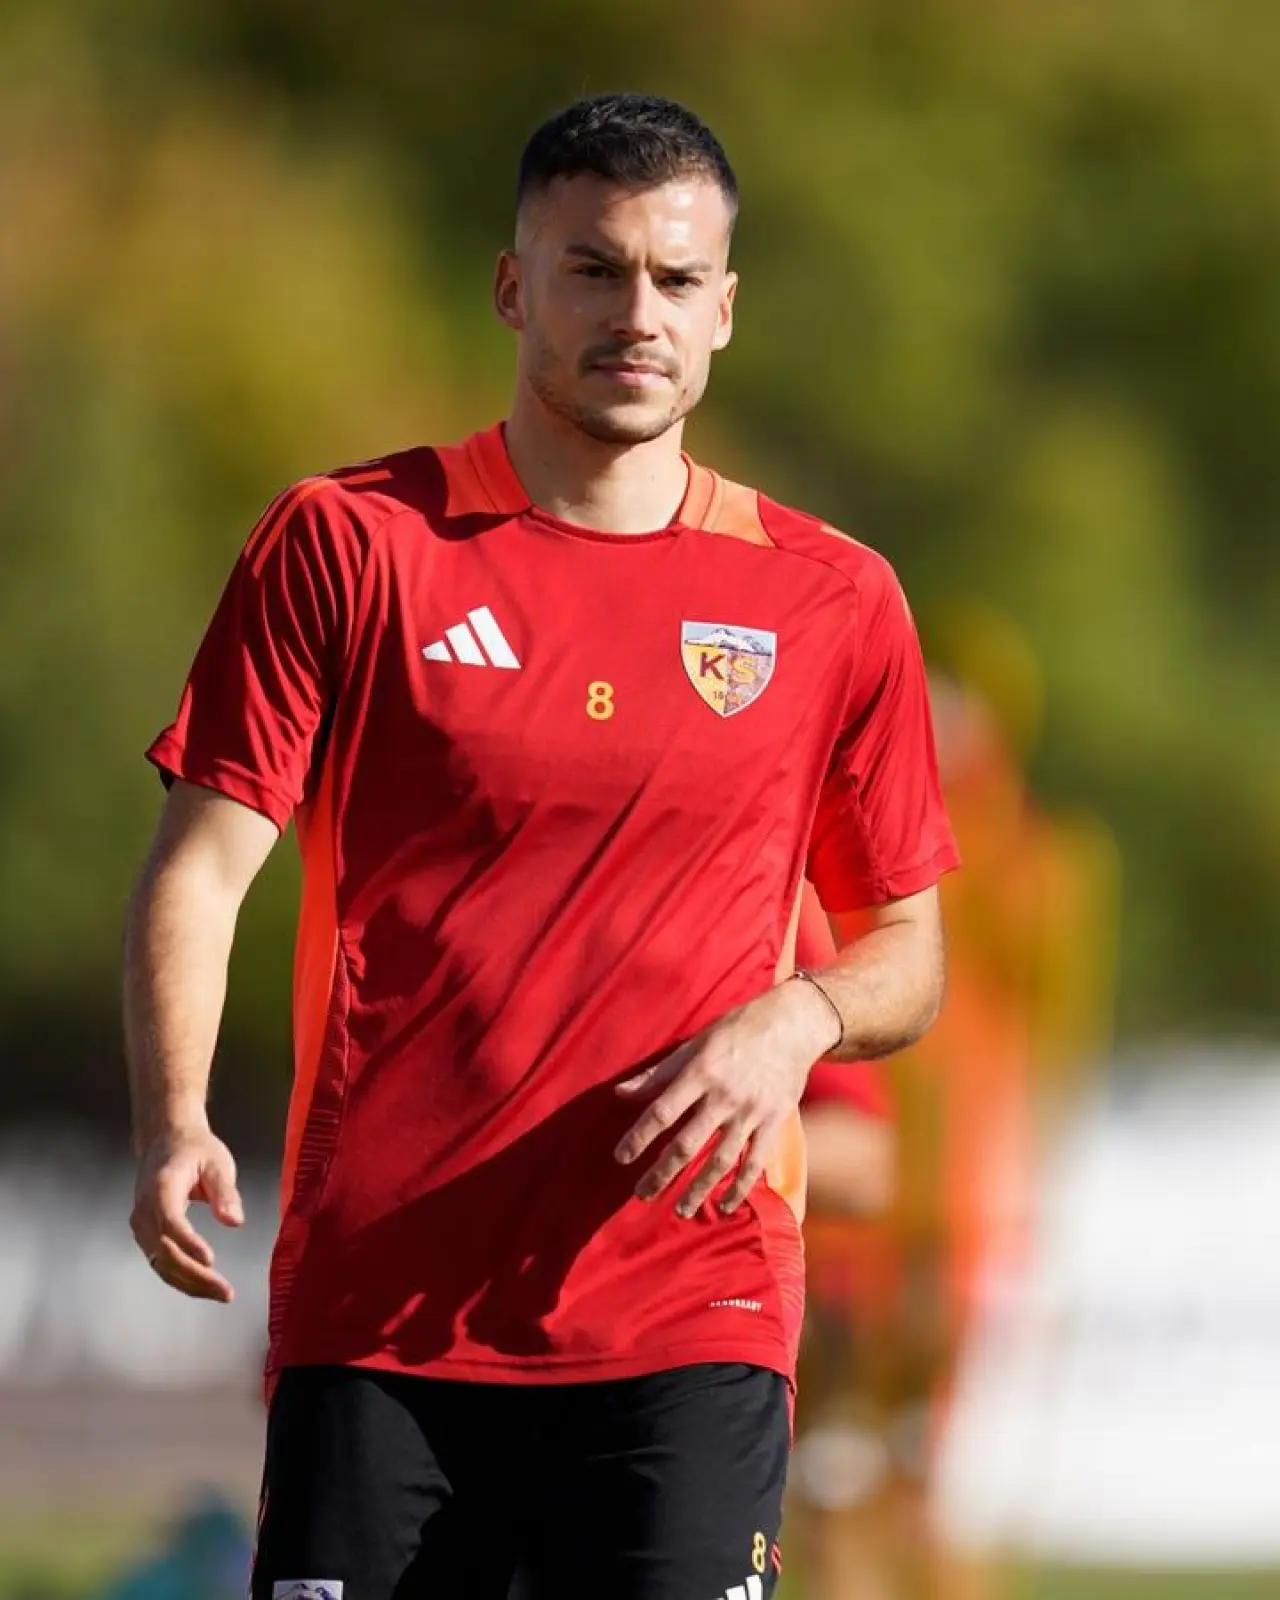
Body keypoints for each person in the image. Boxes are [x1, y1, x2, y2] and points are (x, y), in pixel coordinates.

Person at [123, 92, 958, 1600]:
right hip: (382, 1309)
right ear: (515, 288)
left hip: (692, 1313)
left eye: (676, 279)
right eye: (594, 269)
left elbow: (906, 951)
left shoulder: (833, 598)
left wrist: (797, 1020)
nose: (638, 313)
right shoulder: (349, 542)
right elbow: (202, 865)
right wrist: (174, 1114)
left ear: (724, 311)